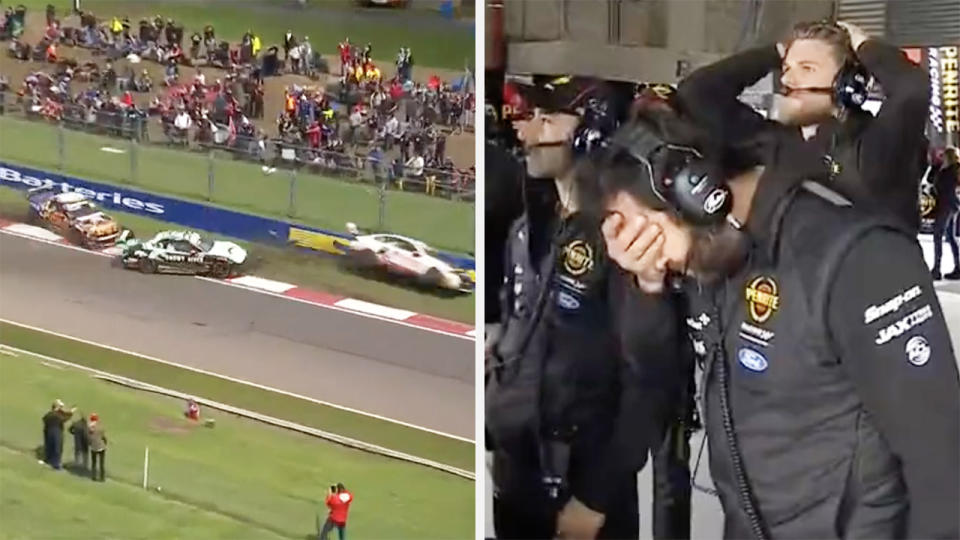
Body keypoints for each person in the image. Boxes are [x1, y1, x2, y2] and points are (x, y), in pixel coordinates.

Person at [595, 95, 960, 539]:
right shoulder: (712, 259)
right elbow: (658, 385)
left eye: (647, 233)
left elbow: (942, 462)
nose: (654, 254)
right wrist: (647, 286)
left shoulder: (856, 255)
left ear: (697, 189)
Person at [486, 76, 688, 539]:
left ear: (591, 131)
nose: (528, 131)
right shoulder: (527, 226)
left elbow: (649, 385)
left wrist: (594, 499)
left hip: (584, 498)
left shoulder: (623, 245)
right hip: (518, 479)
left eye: (548, 117)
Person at [677, 20, 929, 234]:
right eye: (786, 69)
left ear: (847, 84)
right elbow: (696, 94)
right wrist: (774, 53)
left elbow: (911, 89)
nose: (786, 80)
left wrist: (864, 44)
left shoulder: (874, 145)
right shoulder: (772, 141)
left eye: (807, 68)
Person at [932, 147, 960, 280]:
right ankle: (958, 267)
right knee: (950, 237)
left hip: (945, 206)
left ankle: (937, 269)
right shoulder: (955, 170)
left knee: (937, 235)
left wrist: (938, 169)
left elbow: (938, 185)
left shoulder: (948, 171)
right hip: (952, 205)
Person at [41, 400, 74, 469]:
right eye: (60, 406)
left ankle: (48, 460)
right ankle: (56, 464)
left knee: (49, 447)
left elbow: (44, 419)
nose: (61, 408)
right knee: (57, 447)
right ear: (57, 407)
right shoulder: (56, 415)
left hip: (49, 431)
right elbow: (64, 418)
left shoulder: (50, 414)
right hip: (56, 432)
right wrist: (71, 413)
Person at [87, 413, 107, 481]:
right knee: (101, 463)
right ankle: (102, 477)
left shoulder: (89, 428)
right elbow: (103, 437)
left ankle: (94, 477)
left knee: (94, 463)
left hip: (93, 447)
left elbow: (88, 438)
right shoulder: (100, 427)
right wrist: (105, 442)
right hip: (101, 446)